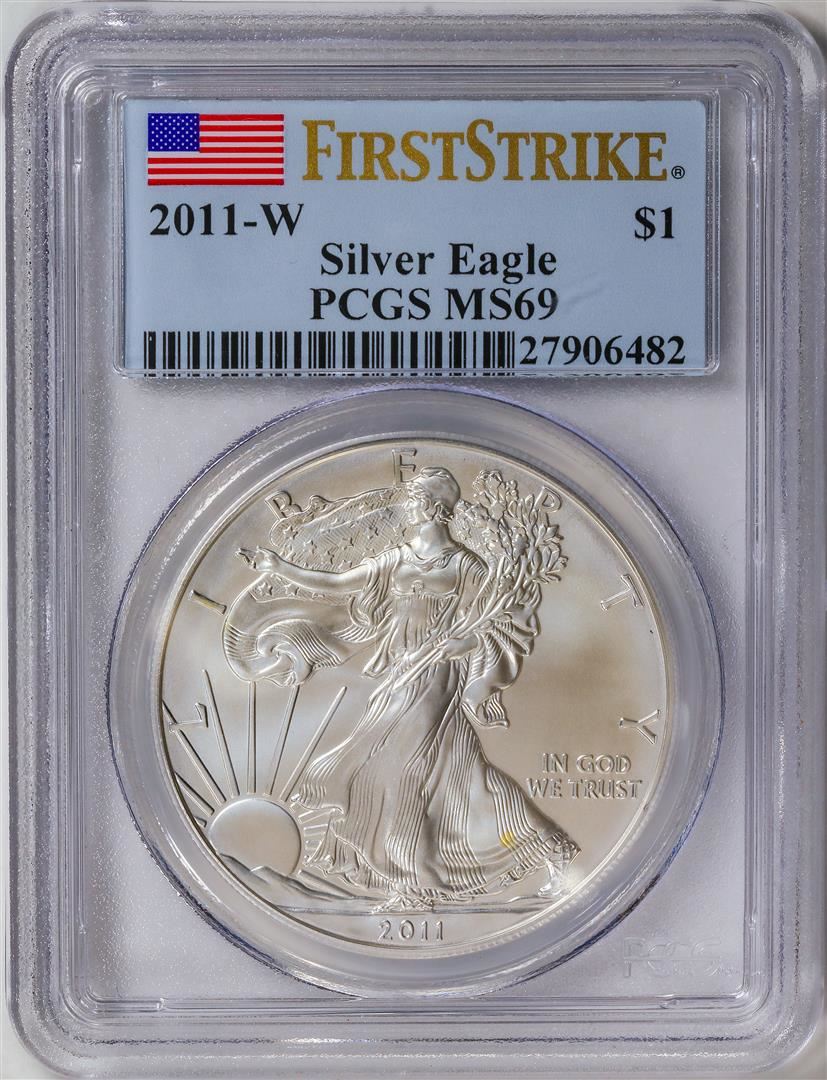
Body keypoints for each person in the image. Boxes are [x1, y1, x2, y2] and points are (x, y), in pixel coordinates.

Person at [242, 467, 578, 908]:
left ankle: (414, 884)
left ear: (436, 508)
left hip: (438, 675)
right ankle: (551, 849)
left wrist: (463, 643)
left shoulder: (466, 566)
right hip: (400, 672)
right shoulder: (397, 559)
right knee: (463, 775)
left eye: (416, 499)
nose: (408, 505)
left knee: (399, 770)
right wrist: (280, 567)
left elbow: (494, 623)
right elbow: (339, 585)